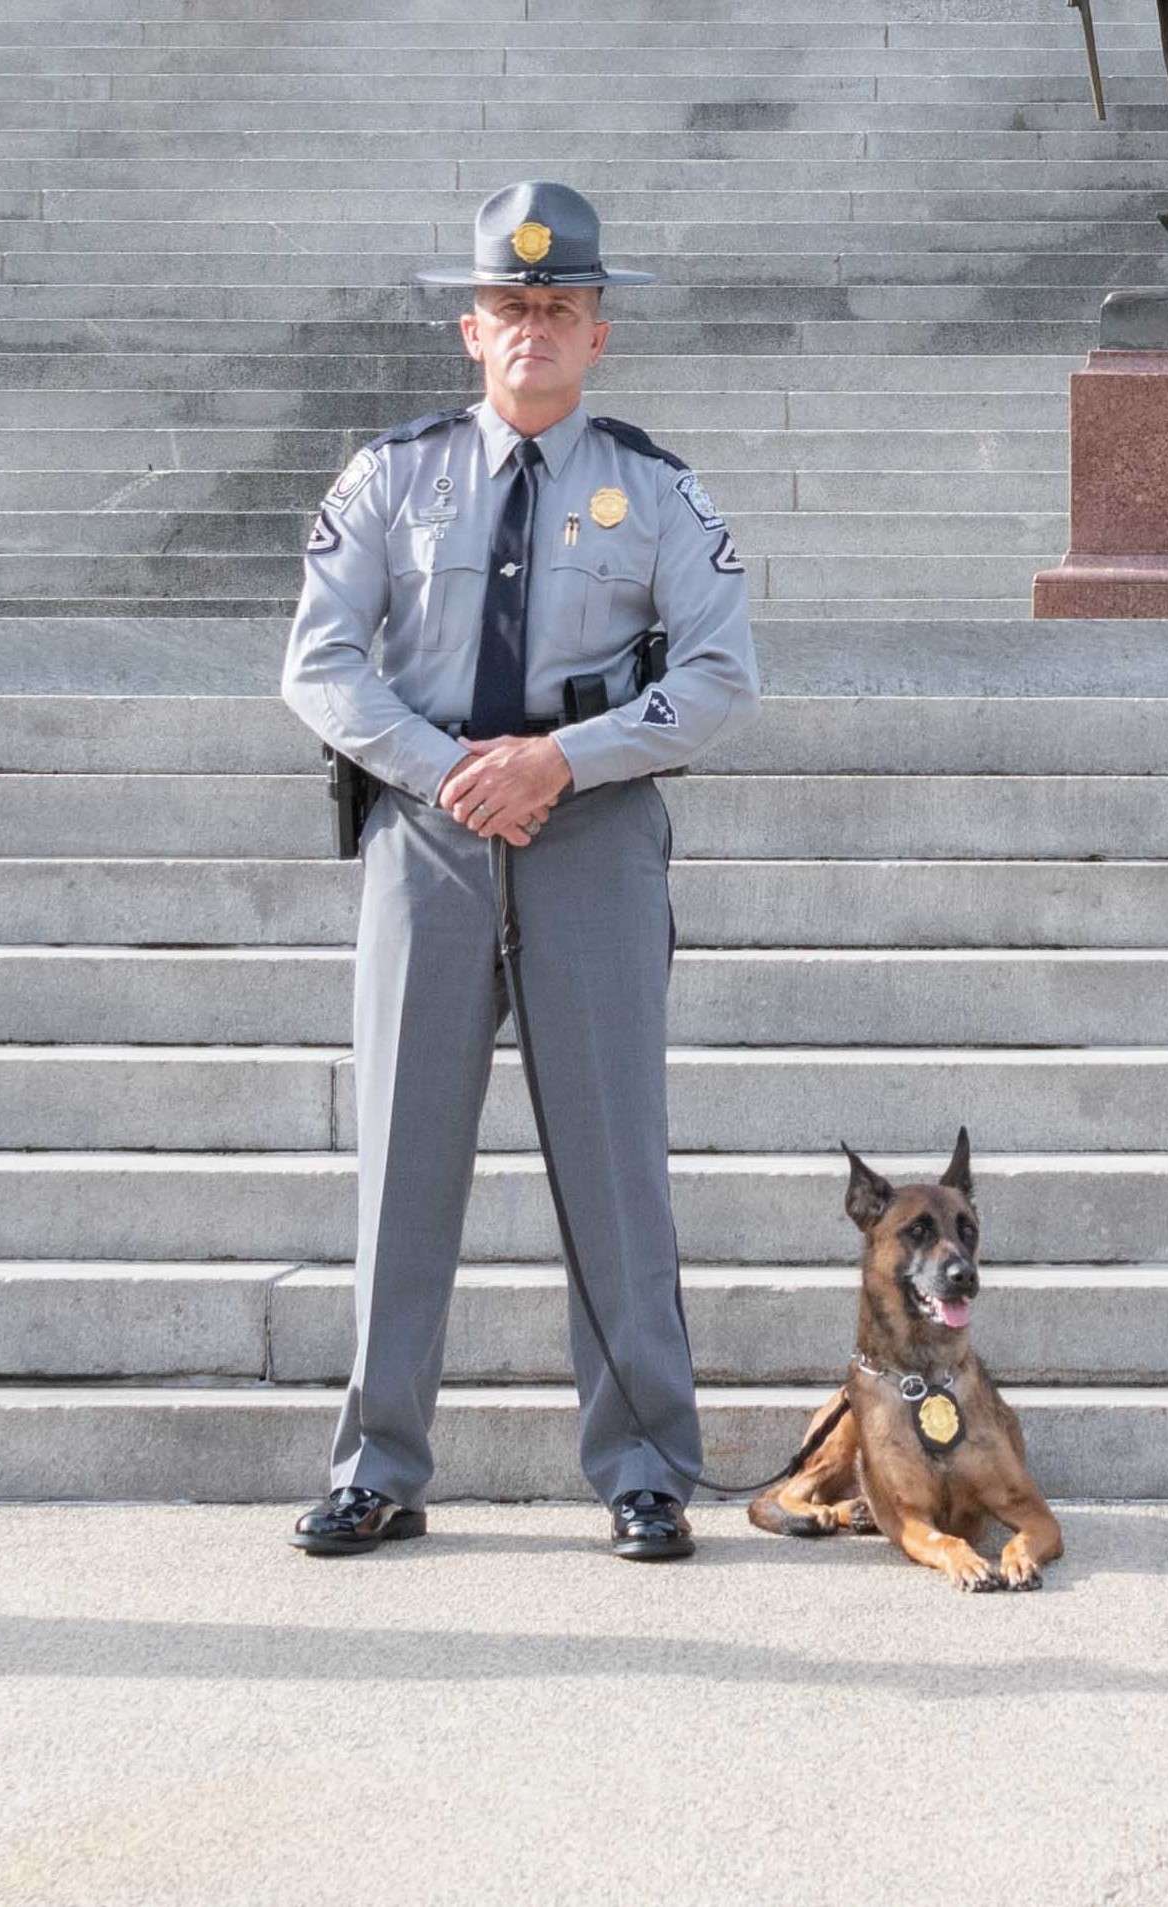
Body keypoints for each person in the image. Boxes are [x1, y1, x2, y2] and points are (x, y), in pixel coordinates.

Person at [271, 181, 763, 1562]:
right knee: (401, 1158)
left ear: (598, 332)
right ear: (468, 330)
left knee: (615, 1164)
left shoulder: (656, 491)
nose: (532, 329)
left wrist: (562, 761)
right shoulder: (390, 477)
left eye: (559, 309)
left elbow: (722, 679)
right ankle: (377, 1463)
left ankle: (646, 1465)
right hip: (427, 839)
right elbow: (317, 662)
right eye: (509, 308)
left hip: (589, 835)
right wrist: (447, 771)